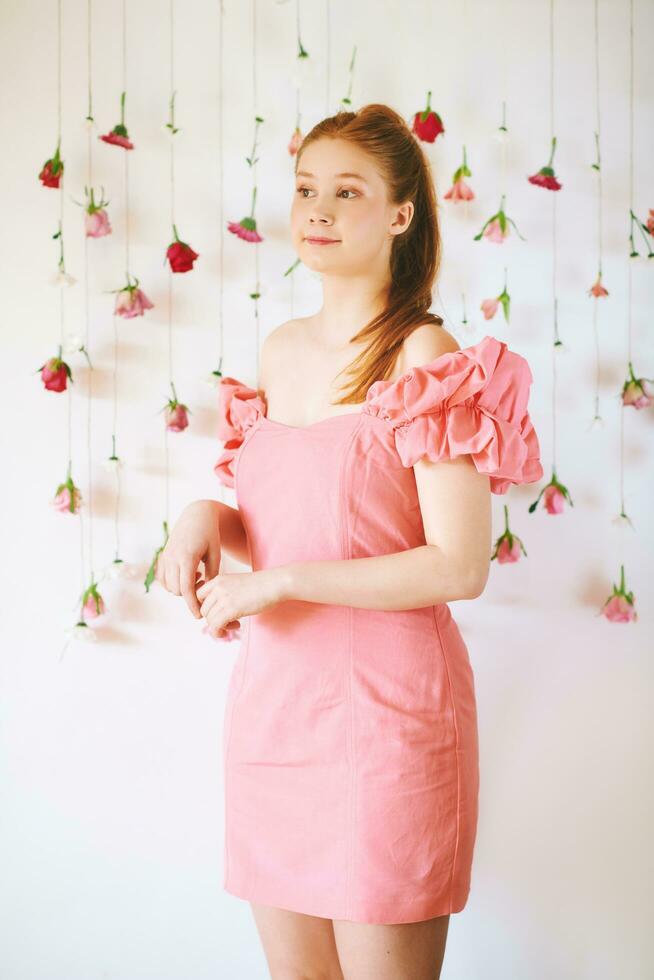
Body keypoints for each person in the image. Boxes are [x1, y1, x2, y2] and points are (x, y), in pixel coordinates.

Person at [156, 104, 543, 980]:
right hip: (277, 709)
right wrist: (202, 520)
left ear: (400, 216)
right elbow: (281, 520)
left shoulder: (423, 356)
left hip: (388, 719)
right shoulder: (280, 349)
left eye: (346, 191)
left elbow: (460, 563)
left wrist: (279, 583)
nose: (317, 210)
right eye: (304, 190)